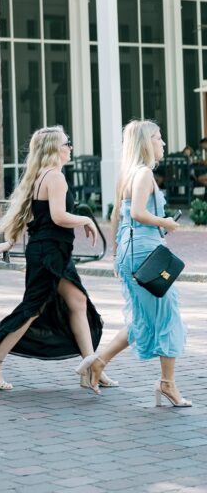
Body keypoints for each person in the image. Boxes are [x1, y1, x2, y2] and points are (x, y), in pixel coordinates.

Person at [0, 126, 105, 391]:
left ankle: (91, 369)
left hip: (51, 252)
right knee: (33, 308)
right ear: (54, 149)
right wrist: (85, 219)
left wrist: (10, 241)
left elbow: (28, 215)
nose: (70, 147)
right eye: (67, 142)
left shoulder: (40, 176)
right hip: (49, 253)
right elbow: (58, 217)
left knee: (77, 301)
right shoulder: (55, 177)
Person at [76, 120, 190, 407]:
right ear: (145, 143)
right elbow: (138, 213)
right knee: (167, 315)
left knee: (142, 318)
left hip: (132, 251)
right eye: (158, 138)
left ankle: (98, 362)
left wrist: (116, 254)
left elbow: (117, 216)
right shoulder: (143, 175)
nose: (162, 143)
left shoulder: (127, 175)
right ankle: (167, 384)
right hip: (146, 253)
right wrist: (164, 222)